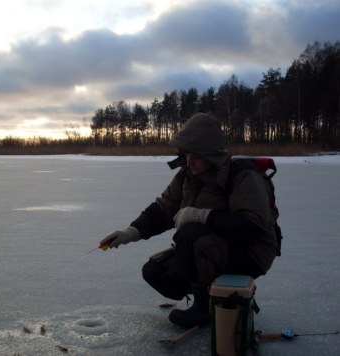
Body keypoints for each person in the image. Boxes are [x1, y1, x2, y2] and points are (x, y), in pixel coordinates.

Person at [99, 113, 278, 329]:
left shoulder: (242, 176)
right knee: (155, 272)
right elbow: (164, 208)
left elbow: (253, 228)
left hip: (250, 254)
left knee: (189, 232)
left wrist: (204, 216)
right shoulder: (187, 175)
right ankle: (220, 296)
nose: (189, 162)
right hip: (213, 248)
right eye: (186, 155)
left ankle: (204, 309)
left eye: (196, 156)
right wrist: (131, 231)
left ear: (211, 155)